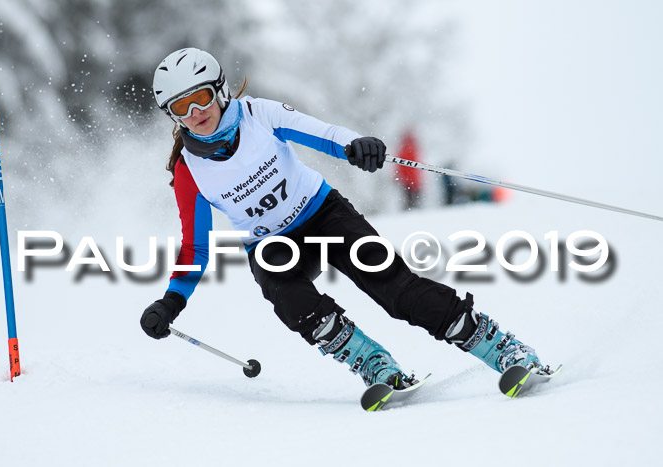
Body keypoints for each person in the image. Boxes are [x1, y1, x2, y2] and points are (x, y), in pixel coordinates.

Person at [140, 48, 545, 389]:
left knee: (396, 290)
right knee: (291, 300)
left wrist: (355, 145)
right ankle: (374, 364)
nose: (195, 112)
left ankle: (500, 347)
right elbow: (196, 244)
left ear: (221, 90)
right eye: (180, 107)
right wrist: (172, 302)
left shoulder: (258, 115)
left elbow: (319, 132)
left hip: (323, 214)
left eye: (201, 98)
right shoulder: (188, 172)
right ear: (172, 116)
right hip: (271, 246)